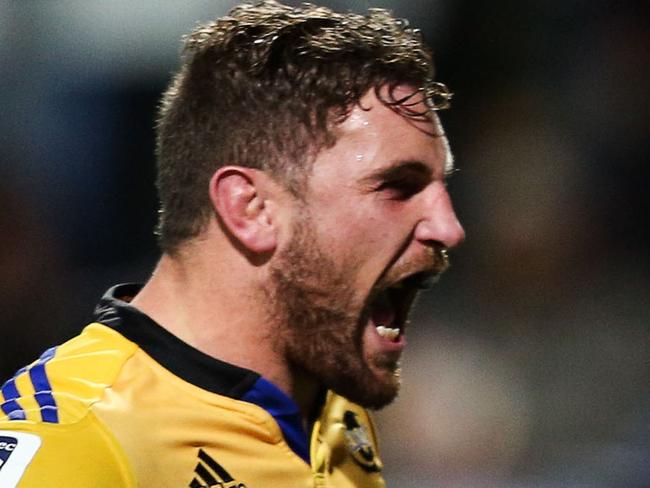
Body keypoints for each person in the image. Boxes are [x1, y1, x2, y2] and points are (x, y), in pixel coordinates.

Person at [0, 1, 464, 486]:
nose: (449, 227)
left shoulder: (332, 401)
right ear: (252, 209)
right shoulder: (74, 440)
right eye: (398, 187)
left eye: (440, 188)